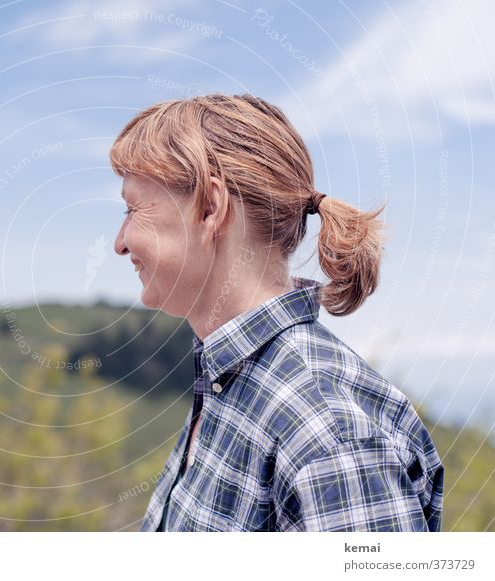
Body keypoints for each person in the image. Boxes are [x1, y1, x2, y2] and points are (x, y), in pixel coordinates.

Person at [110, 93, 444, 532]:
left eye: (134, 208)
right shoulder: (228, 381)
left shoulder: (327, 435)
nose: (120, 242)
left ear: (210, 207)